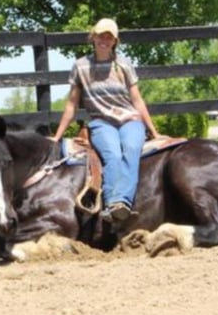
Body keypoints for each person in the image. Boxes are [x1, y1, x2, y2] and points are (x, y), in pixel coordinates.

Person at [52, 18, 168, 224]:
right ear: (93, 37)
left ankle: (120, 202)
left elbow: (137, 100)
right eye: (100, 35)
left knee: (131, 149)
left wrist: (154, 131)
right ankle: (112, 204)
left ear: (115, 41)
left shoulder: (123, 65)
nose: (104, 40)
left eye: (109, 37)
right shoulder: (80, 66)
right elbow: (71, 104)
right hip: (101, 122)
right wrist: (57, 136)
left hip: (129, 119)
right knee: (112, 154)